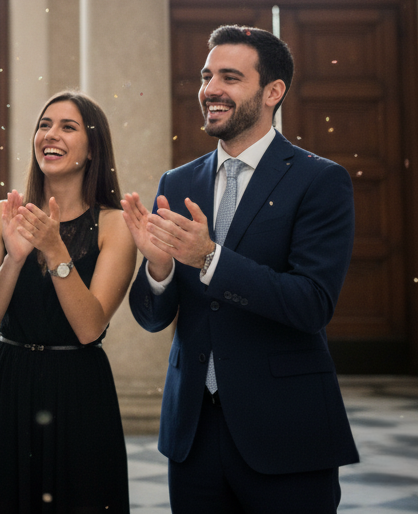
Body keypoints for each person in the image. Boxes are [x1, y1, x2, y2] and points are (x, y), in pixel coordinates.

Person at [124, 25, 359, 514]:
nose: (210, 89)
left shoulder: (320, 180)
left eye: (230, 77)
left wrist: (210, 259)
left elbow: (312, 304)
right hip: (193, 432)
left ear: (273, 92)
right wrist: (160, 268)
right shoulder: (179, 179)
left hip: (286, 431)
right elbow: (152, 317)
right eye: (207, 75)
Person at [0, 91, 136, 513]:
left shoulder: (115, 225)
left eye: (68, 127)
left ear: (93, 146)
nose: (51, 134)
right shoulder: (0, 216)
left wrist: (56, 250)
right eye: (45, 124)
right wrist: (16, 259)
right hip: (12, 381)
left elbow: (89, 327)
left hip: (78, 388)